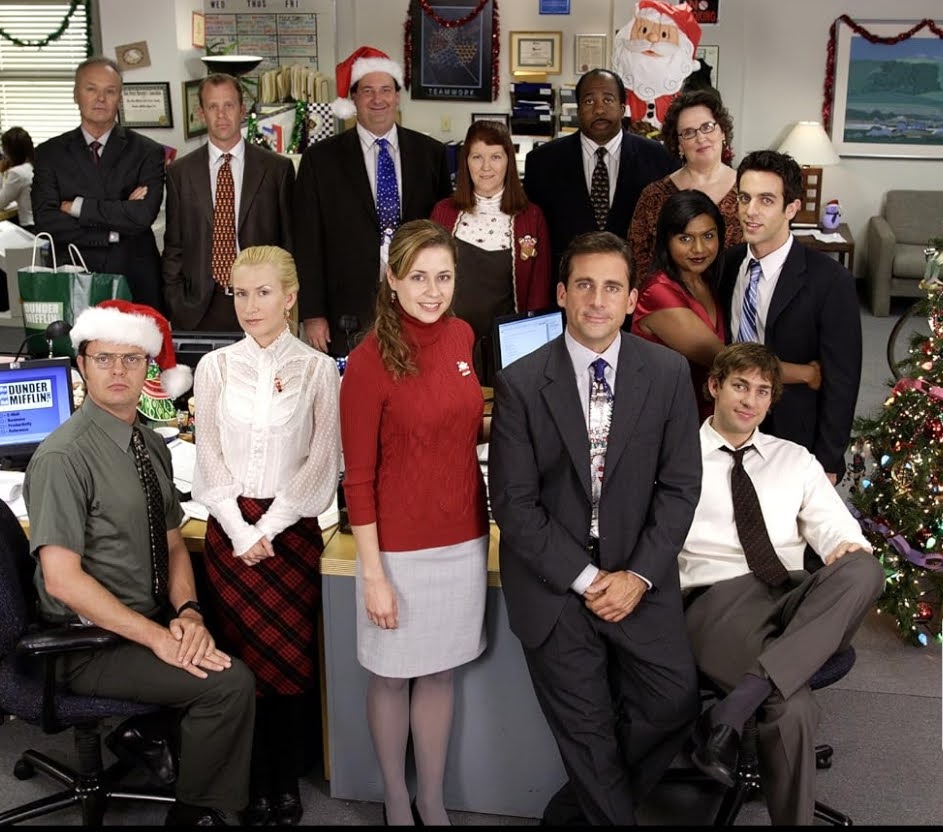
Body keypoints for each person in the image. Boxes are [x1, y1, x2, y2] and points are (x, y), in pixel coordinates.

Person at [488, 230, 702, 825]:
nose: (597, 300)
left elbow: (681, 487)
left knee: (674, 702)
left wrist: (635, 575)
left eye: (612, 287)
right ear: (561, 293)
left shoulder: (666, 373)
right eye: (584, 284)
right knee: (588, 734)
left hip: (638, 576)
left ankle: (570, 812)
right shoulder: (522, 383)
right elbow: (514, 503)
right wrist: (586, 579)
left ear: (634, 299)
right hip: (557, 588)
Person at [23, 300, 256, 827]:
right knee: (228, 683)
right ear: (82, 363)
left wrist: (190, 612)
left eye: (132, 359)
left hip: (145, 618)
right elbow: (61, 579)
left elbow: (173, 543)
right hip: (86, 642)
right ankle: (200, 814)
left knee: (238, 630)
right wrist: (158, 640)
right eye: (104, 358)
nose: (118, 371)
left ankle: (150, 737)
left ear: (148, 367)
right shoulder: (64, 458)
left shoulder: (148, 443)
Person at [680, 342, 885, 826]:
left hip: (794, 595)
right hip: (718, 600)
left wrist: (840, 546)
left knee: (865, 568)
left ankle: (740, 703)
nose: (750, 401)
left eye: (762, 391)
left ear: (772, 402)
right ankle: (753, 703)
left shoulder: (795, 459)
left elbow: (837, 528)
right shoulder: (676, 458)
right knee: (792, 711)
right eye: (739, 386)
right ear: (714, 387)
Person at [339, 219, 489, 826]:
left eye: (444, 276)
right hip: (396, 551)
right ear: (392, 280)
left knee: (440, 671)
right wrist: (373, 574)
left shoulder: (462, 336)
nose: (433, 290)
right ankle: (396, 801)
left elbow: (460, 425)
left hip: (464, 537)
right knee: (392, 678)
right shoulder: (368, 360)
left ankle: (431, 796)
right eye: (419, 277)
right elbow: (359, 479)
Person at [192, 245, 341, 826]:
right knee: (240, 664)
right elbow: (209, 458)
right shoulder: (215, 367)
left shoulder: (318, 369)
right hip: (230, 536)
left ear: (290, 296)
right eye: (240, 293)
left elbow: (322, 463)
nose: (250, 306)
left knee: (288, 664)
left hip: (291, 532)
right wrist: (238, 530)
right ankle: (250, 780)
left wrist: (267, 529)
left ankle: (285, 779)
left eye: (262, 293)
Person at [294, 46, 453, 356]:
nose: (377, 100)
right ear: (353, 99)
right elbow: (307, 241)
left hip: (418, 304)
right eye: (367, 91)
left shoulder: (431, 154)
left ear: (397, 96)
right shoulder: (320, 160)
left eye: (385, 90)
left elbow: (442, 236)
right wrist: (313, 314)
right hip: (347, 314)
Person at [719, 150, 862, 483]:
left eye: (766, 200)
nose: (750, 212)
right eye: (744, 198)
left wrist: (827, 460)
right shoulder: (728, 264)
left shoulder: (830, 281)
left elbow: (843, 380)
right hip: (729, 423)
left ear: (792, 208)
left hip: (793, 431)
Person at [632, 190, 820, 421]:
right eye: (685, 238)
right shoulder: (658, 293)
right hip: (668, 416)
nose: (699, 249)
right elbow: (726, 360)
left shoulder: (708, 280)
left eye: (708, 236)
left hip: (708, 411)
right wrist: (807, 374)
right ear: (666, 242)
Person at [523, 68, 679, 302]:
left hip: (636, 298)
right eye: (588, 101)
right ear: (577, 109)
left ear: (622, 108)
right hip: (566, 300)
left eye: (608, 99)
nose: (598, 109)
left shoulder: (659, 159)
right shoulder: (542, 162)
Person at [31, 56, 166, 312]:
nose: (100, 98)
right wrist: (113, 229)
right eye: (91, 89)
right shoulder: (50, 153)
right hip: (74, 273)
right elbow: (46, 219)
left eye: (110, 91)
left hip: (134, 276)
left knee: (138, 351)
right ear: (75, 95)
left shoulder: (147, 151)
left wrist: (77, 207)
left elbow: (142, 215)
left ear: (120, 97)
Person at [163, 74, 295, 332]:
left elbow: (289, 242)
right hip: (199, 306)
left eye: (229, 105)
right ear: (202, 114)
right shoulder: (180, 173)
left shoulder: (276, 169)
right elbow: (174, 247)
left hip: (261, 302)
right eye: (213, 107)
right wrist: (176, 303)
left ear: (242, 111)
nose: (221, 115)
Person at [430, 118, 551, 385]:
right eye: (477, 157)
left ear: (508, 160)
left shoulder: (531, 217)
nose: (486, 167)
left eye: (495, 157)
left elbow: (538, 292)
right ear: (465, 162)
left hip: (507, 349)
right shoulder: (443, 212)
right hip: (449, 344)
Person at [628, 88, 743, 280]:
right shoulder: (654, 195)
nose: (700, 138)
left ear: (722, 131)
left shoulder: (748, 191)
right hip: (668, 304)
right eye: (688, 133)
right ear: (679, 145)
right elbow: (638, 262)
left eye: (707, 127)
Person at [612, 0, 703, 130]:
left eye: (664, 34)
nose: (653, 38)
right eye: (643, 30)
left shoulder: (686, 97)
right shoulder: (621, 93)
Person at [0, 126, 35, 231]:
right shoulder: (34, 165)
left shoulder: (17, 173)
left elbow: (1, 203)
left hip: (30, 228)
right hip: (43, 224)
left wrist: (1, 172)